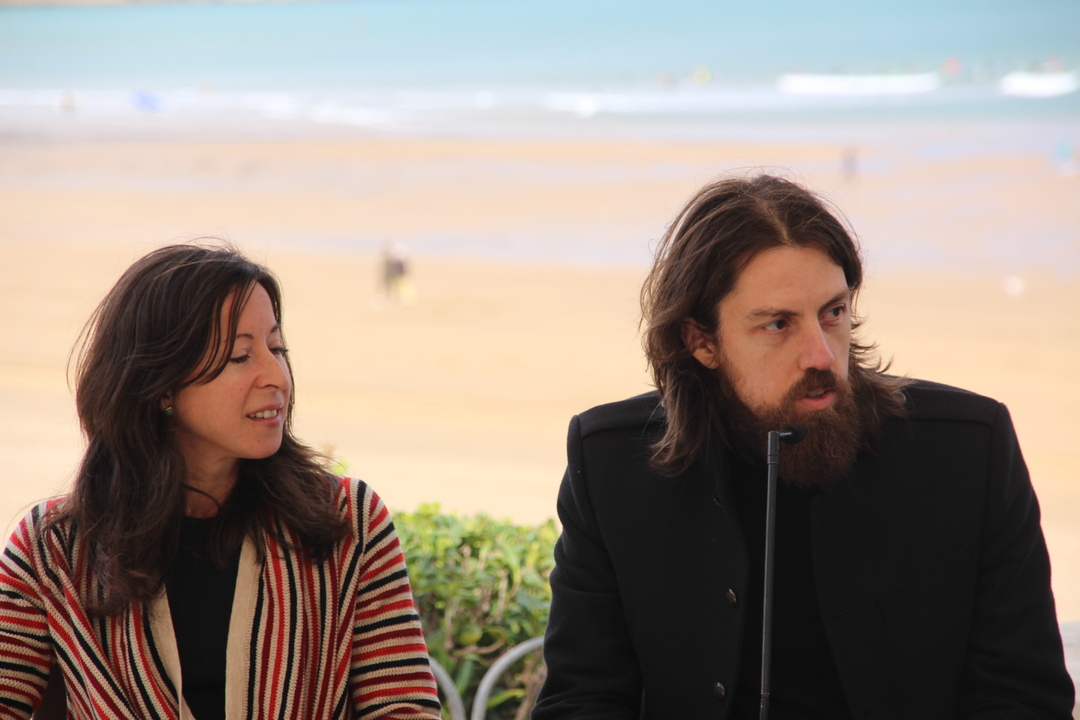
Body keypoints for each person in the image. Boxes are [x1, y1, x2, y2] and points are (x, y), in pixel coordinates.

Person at [533, 175, 1075, 718]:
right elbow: (582, 700)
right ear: (701, 342)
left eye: (833, 312)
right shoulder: (610, 464)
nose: (821, 355)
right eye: (778, 324)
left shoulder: (968, 450)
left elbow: (1025, 696)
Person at [0, 244, 441, 720]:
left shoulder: (347, 520)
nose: (276, 377)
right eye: (240, 356)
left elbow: (405, 709)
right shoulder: (55, 548)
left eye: (277, 349)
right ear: (161, 385)